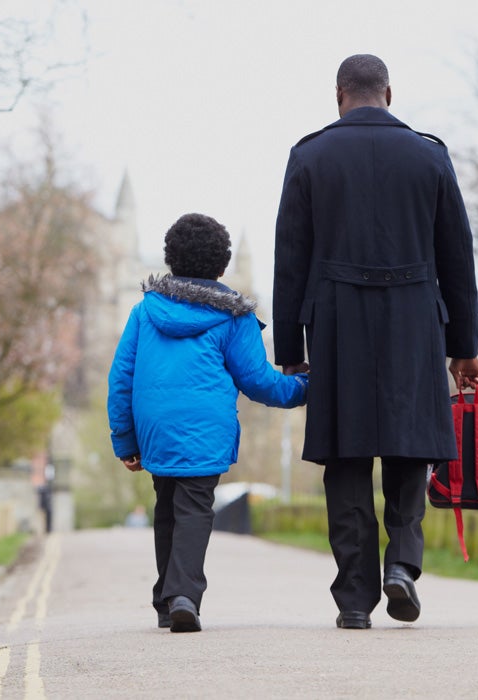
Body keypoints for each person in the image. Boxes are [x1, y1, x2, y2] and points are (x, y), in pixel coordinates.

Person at [272, 54, 478, 629]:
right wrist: (463, 346)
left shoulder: (308, 155)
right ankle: (402, 568)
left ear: (338, 94)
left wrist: (290, 352)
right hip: (416, 319)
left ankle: (354, 598)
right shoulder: (429, 155)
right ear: (388, 92)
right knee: (409, 447)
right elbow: (457, 258)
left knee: (344, 457)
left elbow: (289, 262)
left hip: (337, 322)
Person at [109, 212, 308, 633]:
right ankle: (184, 594)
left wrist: (124, 438)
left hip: (154, 427)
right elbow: (259, 382)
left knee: (167, 504)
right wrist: (306, 387)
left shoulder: (145, 311)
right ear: (222, 267)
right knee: (195, 507)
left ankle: (166, 598)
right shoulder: (233, 317)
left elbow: (121, 377)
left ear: (170, 260)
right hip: (206, 428)